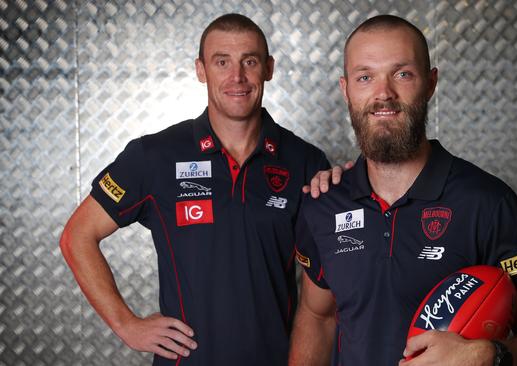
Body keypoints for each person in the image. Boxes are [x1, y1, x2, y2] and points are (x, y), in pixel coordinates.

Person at [289, 15, 517, 366]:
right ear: (346, 90)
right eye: (365, 77)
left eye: (402, 74)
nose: (383, 93)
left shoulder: (488, 204)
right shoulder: (323, 204)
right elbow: (318, 317)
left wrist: (488, 354)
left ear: (431, 82)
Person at [59, 13, 330, 366]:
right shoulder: (154, 155)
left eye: (249, 61)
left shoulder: (306, 162)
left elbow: (324, 293)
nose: (237, 77)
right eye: (222, 62)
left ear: (269, 68)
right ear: (201, 70)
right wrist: (126, 324)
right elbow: (76, 235)